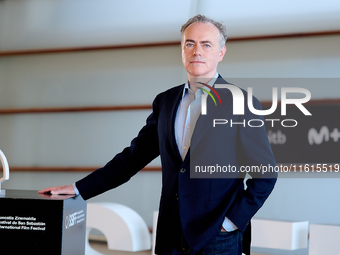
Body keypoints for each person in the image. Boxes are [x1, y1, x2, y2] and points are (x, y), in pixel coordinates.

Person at [40, 14, 277, 255]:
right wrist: (80, 188)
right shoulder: (166, 102)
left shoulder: (241, 102)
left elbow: (266, 174)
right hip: (170, 235)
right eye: (190, 43)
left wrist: (231, 223)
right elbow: (133, 158)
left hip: (218, 237)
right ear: (182, 49)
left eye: (206, 44)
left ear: (221, 53)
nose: (197, 51)